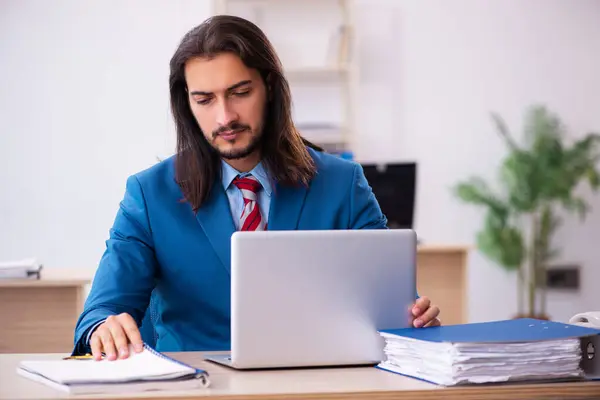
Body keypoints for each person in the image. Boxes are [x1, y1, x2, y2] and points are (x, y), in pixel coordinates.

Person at [72, 15, 441, 361]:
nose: (225, 117)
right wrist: (104, 327)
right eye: (204, 100)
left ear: (269, 87)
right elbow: (100, 312)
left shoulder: (343, 183)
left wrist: (415, 319)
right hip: (197, 387)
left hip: (315, 383)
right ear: (187, 103)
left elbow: (392, 308)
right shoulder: (149, 195)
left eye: (240, 92)